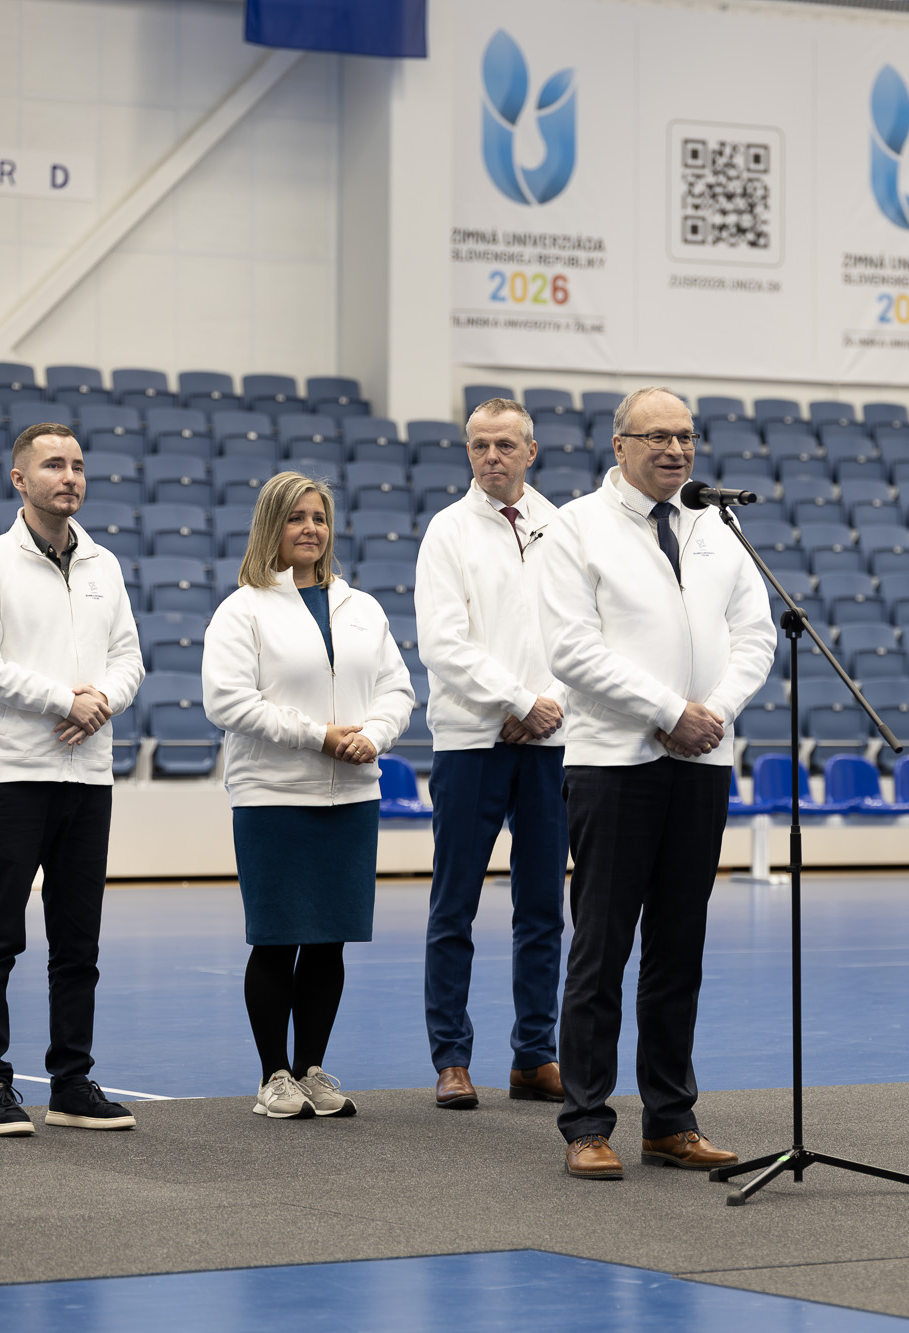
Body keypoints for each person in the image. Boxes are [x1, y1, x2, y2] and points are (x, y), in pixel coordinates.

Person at [537, 386, 776, 1180]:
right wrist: (669, 711)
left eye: (686, 435)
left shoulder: (716, 527)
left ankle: (670, 1119)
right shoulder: (576, 527)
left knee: (679, 949)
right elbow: (573, 650)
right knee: (601, 949)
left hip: (701, 762)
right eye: (657, 436)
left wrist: (714, 714)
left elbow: (755, 636)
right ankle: (586, 1122)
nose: (675, 449)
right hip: (615, 763)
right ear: (620, 444)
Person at [0, 423, 144, 1136]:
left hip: (88, 777)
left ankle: (71, 1083)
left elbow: (129, 658)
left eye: (78, 466)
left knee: (78, 942)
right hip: (13, 775)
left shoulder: (103, 565)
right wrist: (64, 699)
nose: (69, 477)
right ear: (19, 479)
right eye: (54, 465)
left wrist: (103, 701)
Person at [202, 471, 415, 1119]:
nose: (310, 529)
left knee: (329, 940)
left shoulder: (362, 608)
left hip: (352, 796)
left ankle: (311, 1069)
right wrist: (316, 735)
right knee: (277, 938)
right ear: (272, 526)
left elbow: (397, 690)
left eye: (319, 518)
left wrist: (373, 735)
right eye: (296, 517)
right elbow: (227, 701)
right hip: (273, 796)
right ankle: (273, 1075)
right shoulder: (243, 609)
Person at [414, 398, 568, 1111]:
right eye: (479, 445)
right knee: (455, 905)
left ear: (530, 451)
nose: (491, 456)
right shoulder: (447, 531)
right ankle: (451, 1057)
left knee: (543, 908)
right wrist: (517, 699)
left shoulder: (562, 528)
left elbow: (587, 633)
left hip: (550, 741)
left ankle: (535, 1054)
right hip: (471, 741)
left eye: (505, 444)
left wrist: (548, 704)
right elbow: (442, 643)